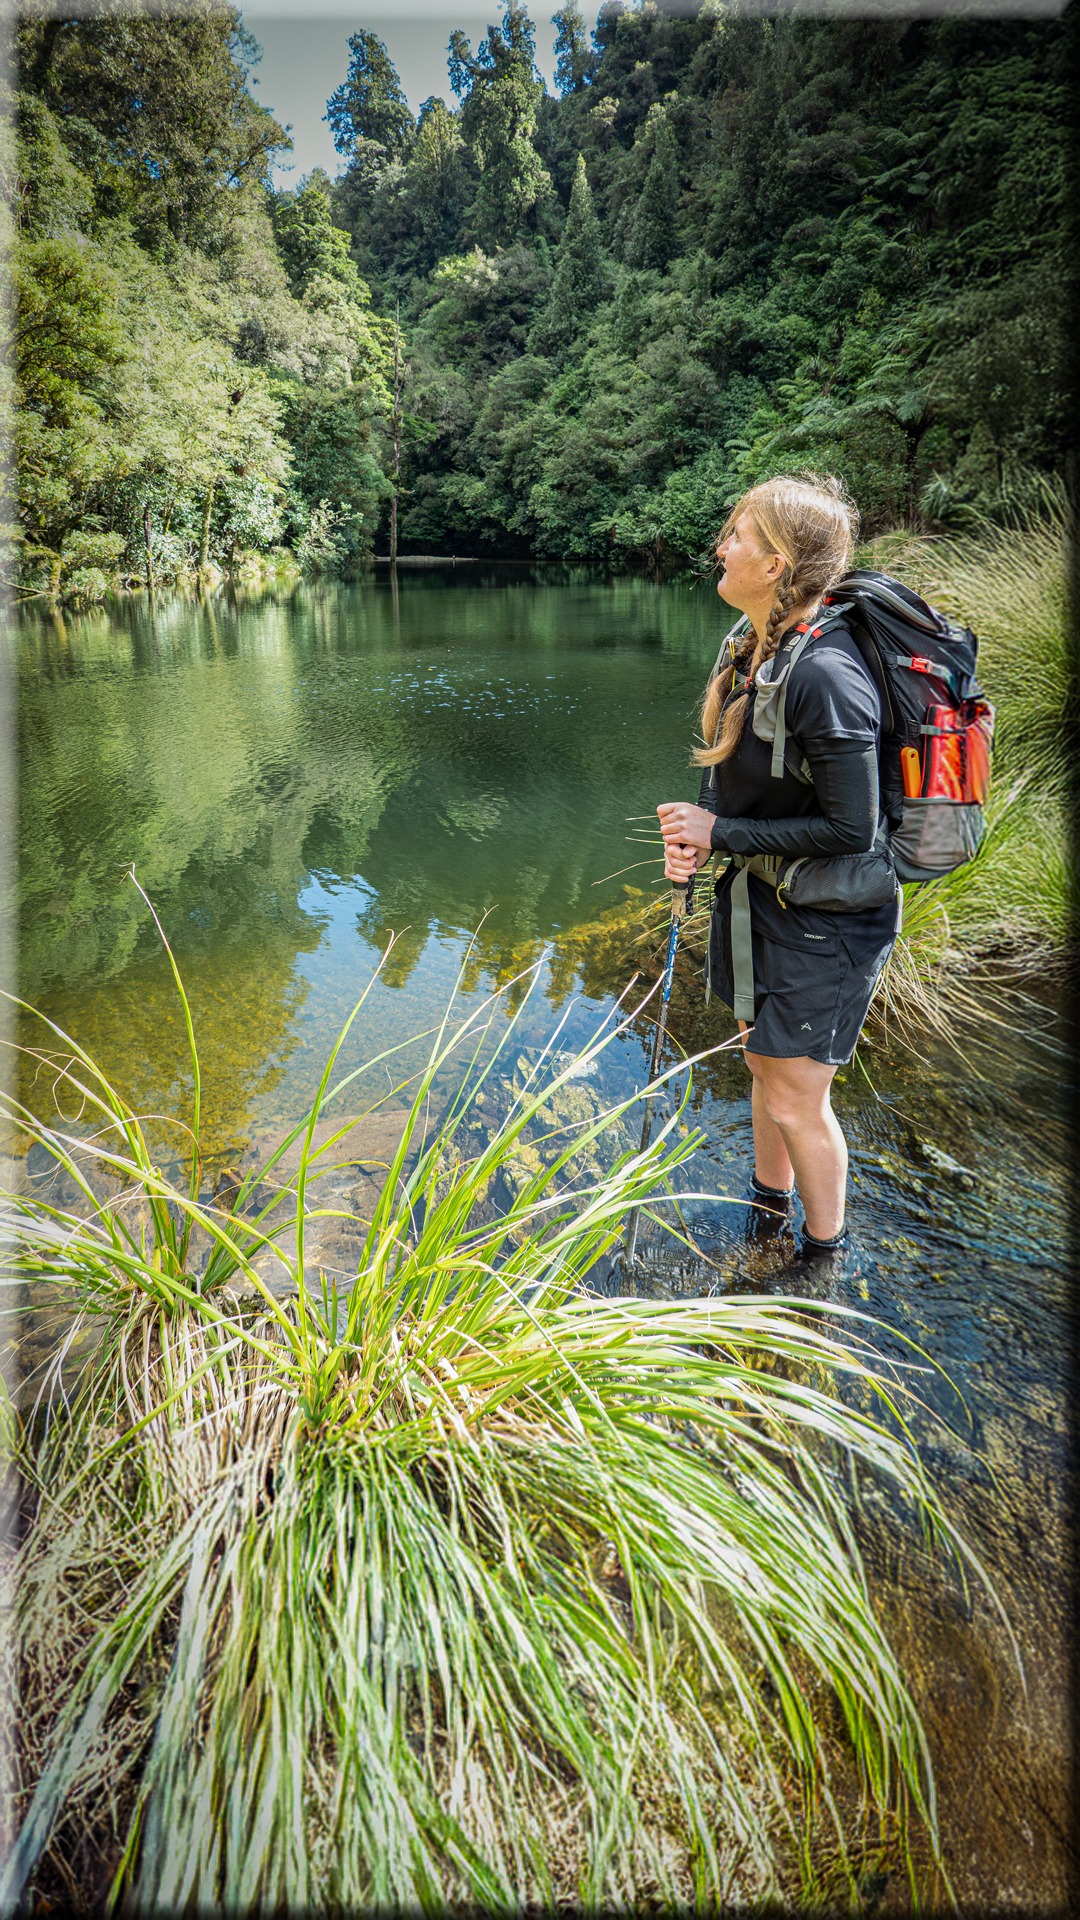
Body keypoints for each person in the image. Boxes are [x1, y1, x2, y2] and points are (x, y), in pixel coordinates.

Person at [656, 474, 899, 1265]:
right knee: (762, 1062)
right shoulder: (759, 645)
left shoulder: (827, 674)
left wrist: (720, 831)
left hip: (828, 918)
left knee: (799, 1098)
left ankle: (820, 1264)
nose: (721, 548)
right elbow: (734, 780)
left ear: (778, 563)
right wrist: (701, 838)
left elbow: (851, 827)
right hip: (766, 898)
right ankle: (767, 1218)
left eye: (738, 535)